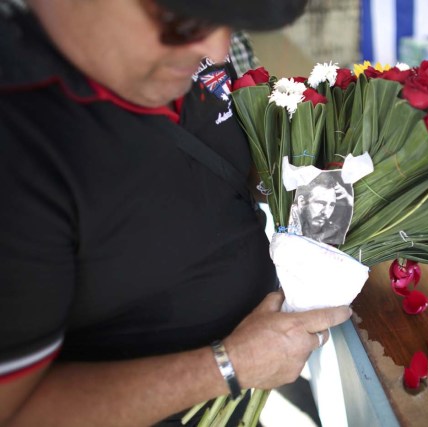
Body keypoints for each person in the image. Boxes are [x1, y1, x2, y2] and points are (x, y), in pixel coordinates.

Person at [0, 0, 353, 426]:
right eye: (180, 19)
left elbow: (225, 168)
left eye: (228, 22)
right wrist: (231, 366)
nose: (216, 49)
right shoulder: (19, 141)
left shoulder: (186, 59)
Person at [289, 171, 354, 245]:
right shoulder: (286, 228)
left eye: (331, 205)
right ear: (302, 202)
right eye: (321, 203)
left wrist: (349, 199)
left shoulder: (332, 234)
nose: (326, 212)